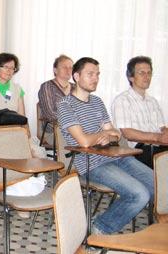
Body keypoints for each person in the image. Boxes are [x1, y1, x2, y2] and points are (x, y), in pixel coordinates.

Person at [57, 57, 154, 234]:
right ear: (76, 76)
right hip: (91, 163)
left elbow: (115, 133)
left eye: (98, 74)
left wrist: (107, 136)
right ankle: (100, 228)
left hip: (116, 156)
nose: (96, 78)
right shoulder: (65, 105)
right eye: (90, 74)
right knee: (139, 195)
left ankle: (156, 228)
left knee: (157, 183)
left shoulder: (97, 102)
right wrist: (103, 135)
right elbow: (84, 142)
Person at [112, 56, 168, 168]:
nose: (146, 77)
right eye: (142, 73)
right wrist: (157, 137)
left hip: (159, 146)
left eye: (149, 73)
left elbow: (162, 128)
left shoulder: (153, 101)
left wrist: (165, 133)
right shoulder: (122, 100)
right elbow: (127, 133)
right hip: (139, 151)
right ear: (131, 77)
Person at [38, 54, 73, 132]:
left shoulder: (76, 88)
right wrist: (73, 122)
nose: (68, 70)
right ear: (55, 70)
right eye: (64, 67)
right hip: (54, 129)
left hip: (76, 127)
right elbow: (50, 114)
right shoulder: (47, 86)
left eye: (70, 68)